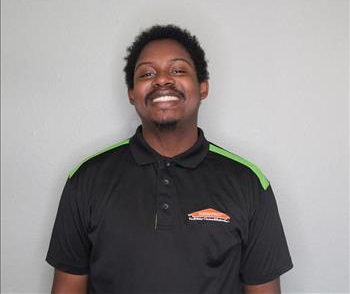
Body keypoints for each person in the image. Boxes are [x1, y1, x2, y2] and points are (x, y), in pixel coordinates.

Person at [46, 24, 293, 294]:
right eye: (147, 73)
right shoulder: (85, 180)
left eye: (178, 70)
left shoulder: (250, 183)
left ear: (203, 87)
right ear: (131, 94)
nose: (162, 80)